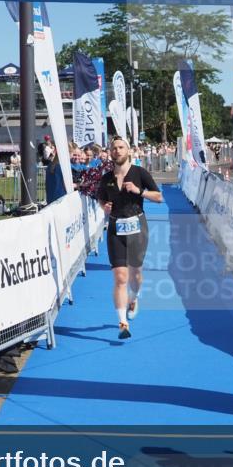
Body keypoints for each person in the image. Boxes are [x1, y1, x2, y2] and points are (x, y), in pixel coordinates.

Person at [97, 137, 163, 339]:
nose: (117, 151)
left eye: (120, 147)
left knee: (135, 275)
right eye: (114, 148)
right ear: (110, 152)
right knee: (120, 277)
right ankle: (122, 322)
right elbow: (101, 198)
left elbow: (159, 197)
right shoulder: (106, 178)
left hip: (137, 228)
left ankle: (134, 298)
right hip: (116, 228)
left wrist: (139, 191)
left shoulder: (139, 173)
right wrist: (104, 207)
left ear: (128, 151)